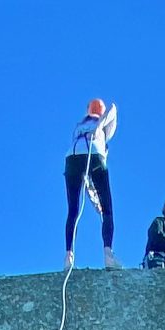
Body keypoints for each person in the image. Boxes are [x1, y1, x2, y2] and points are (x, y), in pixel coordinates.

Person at [65, 98, 120, 269]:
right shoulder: (103, 125)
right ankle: (108, 254)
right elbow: (113, 108)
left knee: (73, 209)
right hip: (95, 156)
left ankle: (68, 256)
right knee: (107, 210)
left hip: (72, 159)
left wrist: (91, 194)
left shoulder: (78, 127)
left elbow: (85, 174)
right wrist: (100, 126)